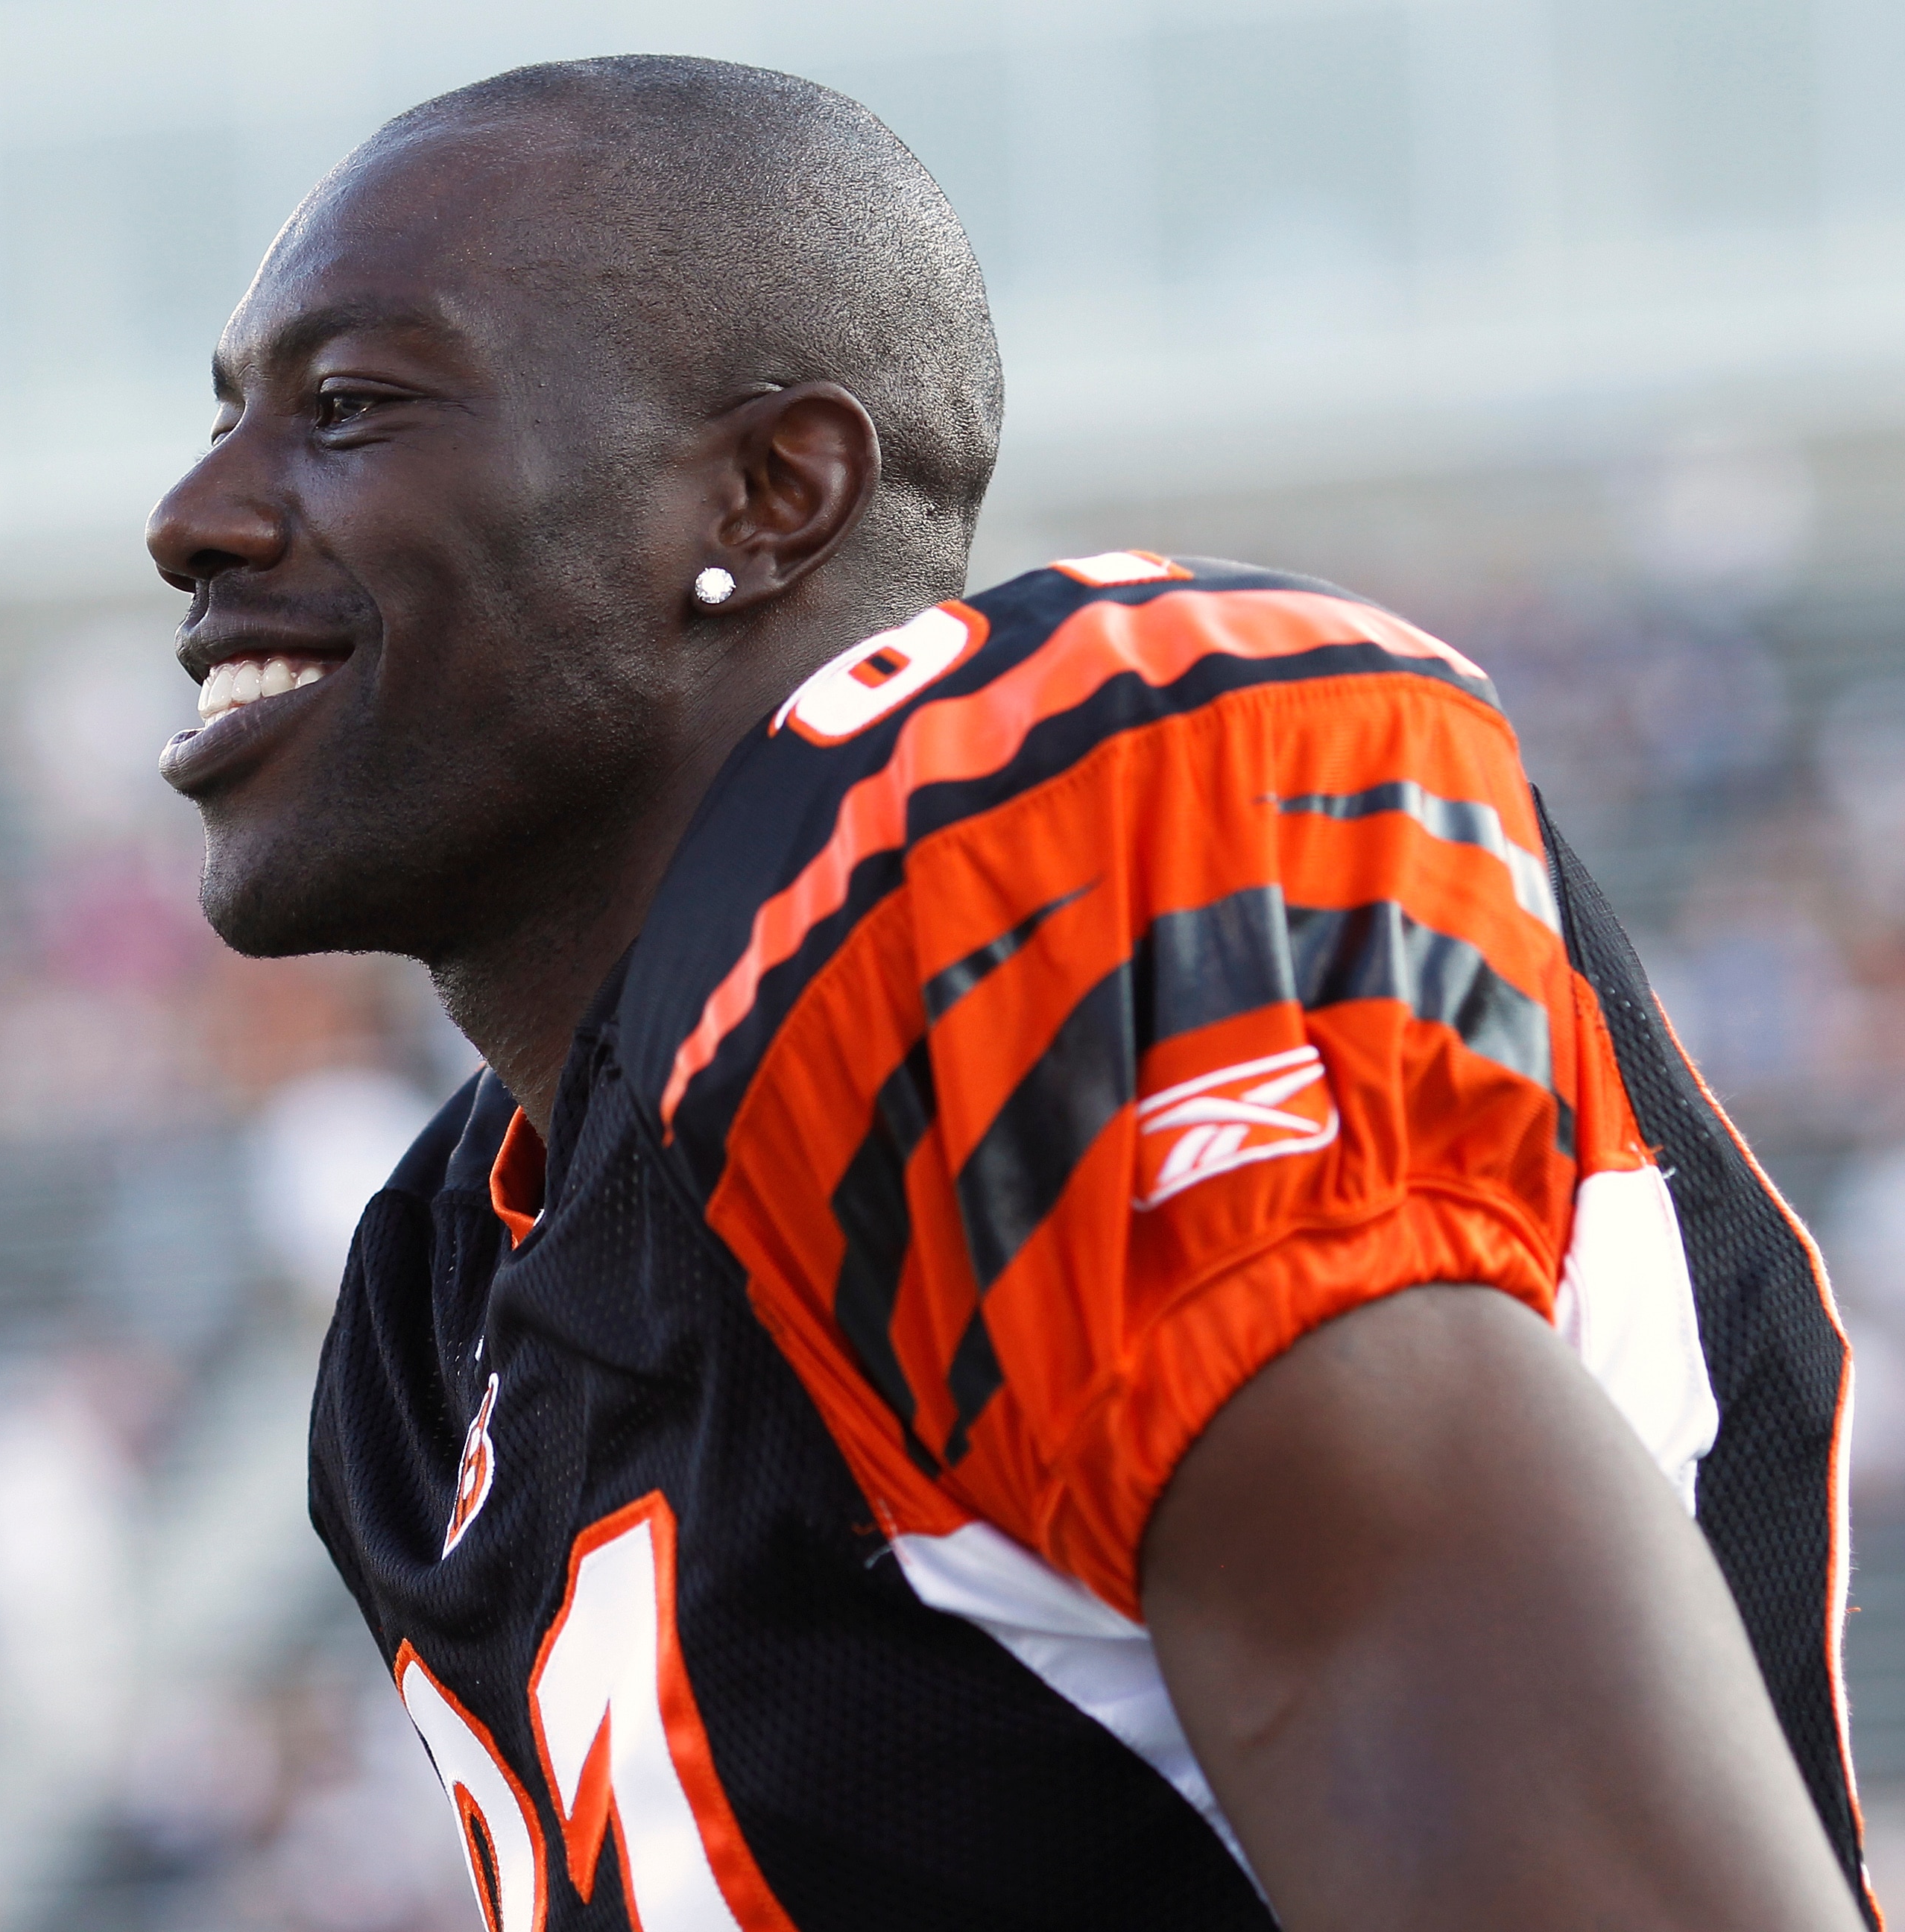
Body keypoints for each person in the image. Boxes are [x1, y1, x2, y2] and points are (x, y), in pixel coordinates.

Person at [146, 54, 1871, 1932]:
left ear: (771, 492)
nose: (193, 516)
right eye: (229, 418)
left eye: (348, 406)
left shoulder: (1010, 881)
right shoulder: (435, 1311)